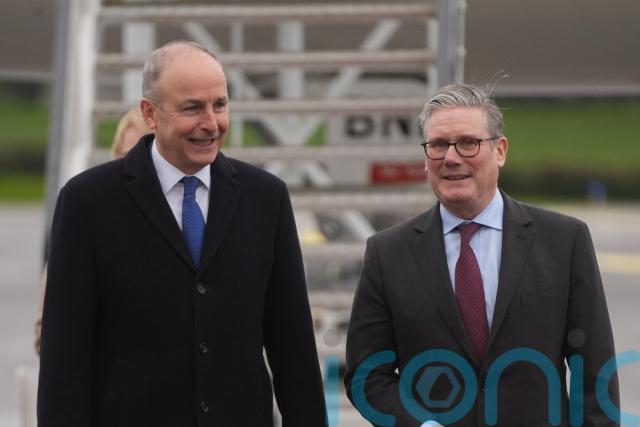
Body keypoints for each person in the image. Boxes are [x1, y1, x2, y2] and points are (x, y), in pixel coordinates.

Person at [38, 40, 327, 426]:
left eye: (219, 105)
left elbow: (293, 347)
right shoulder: (87, 202)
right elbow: (64, 357)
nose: (211, 123)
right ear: (150, 113)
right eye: (192, 108)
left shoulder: (266, 198)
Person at [344, 83, 619, 426]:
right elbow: (366, 376)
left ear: (500, 151)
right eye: (438, 145)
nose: (451, 157)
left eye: (468, 143)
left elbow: (595, 372)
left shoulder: (565, 241)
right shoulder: (387, 254)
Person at [34, 108, 152, 355]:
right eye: (125, 155)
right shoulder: (86, 221)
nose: (135, 164)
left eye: (144, 153)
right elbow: (49, 329)